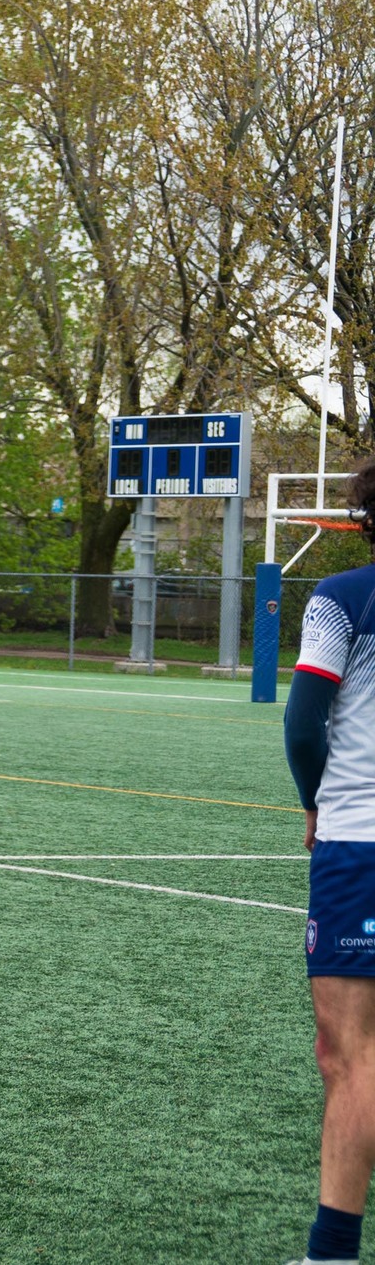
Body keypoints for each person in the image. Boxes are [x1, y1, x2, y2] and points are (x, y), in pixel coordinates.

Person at [284, 458, 375, 1265]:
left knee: (350, 1054)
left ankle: (333, 1248)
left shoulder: (344, 596)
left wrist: (316, 798)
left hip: (364, 837)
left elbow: (304, 720)